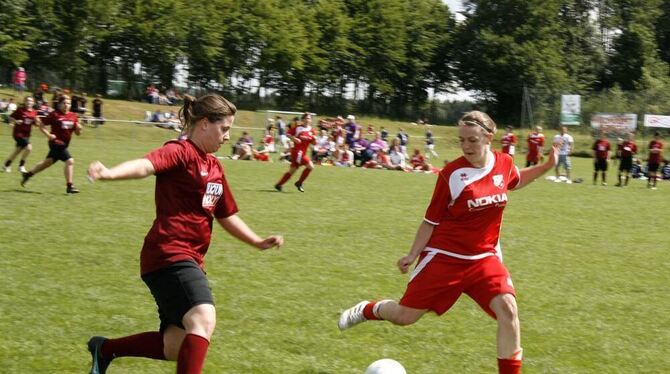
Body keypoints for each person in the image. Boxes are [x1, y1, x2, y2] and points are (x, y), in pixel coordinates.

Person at [338, 111, 558, 374]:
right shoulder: (451, 174)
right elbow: (430, 221)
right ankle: (368, 309)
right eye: (461, 140)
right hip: (444, 257)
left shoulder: (504, 163)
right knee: (404, 317)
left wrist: (546, 167)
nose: (466, 146)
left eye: (472, 140)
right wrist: (412, 254)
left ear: (489, 137)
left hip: (483, 258)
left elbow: (515, 179)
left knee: (508, 311)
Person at [85, 94, 283, 374]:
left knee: (175, 346)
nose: (227, 137)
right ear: (204, 123)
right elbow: (146, 165)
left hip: (187, 259)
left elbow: (225, 214)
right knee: (203, 318)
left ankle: (103, 349)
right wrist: (108, 173)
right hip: (169, 252)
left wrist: (256, 240)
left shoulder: (214, 166)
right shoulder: (180, 151)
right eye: (224, 129)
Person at [20, 95, 82, 193]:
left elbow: (78, 133)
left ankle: (27, 175)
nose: (66, 105)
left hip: (64, 144)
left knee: (46, 163)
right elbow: (41, 124)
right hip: (55, 143)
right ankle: (70, 186)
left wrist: (79, 129)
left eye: (68, 103)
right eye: (64, 103)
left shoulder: (73, 116)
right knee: (70, 161)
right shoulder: (54, 114)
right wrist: (48, 135)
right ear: (60, 104)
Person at [274, 112, 316, 192]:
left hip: (302, 153)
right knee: (310, 166)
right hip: (297, 152)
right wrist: (294, 139)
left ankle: (278, 185)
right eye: (306, 118)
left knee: (292, 170)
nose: (308, 120)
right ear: (303, 119)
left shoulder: (312, 131)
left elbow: (313, 143)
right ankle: (299, 183)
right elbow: (288, 134)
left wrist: (314, 139)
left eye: (309, 118)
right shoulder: (298, 128)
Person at [3, 96, 40, 173]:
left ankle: (6, 165)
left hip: (27, 134)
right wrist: (16, 121)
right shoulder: (20, 110)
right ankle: (21, 166)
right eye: (27, 101)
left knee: (17, 151)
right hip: (18, 133)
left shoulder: (34, 112)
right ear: (25, 102)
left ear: (33, 103)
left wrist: (37, 123)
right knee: (29, 148)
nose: (29, 102)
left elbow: (35, 123)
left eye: (31, 101)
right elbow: (9, 117)